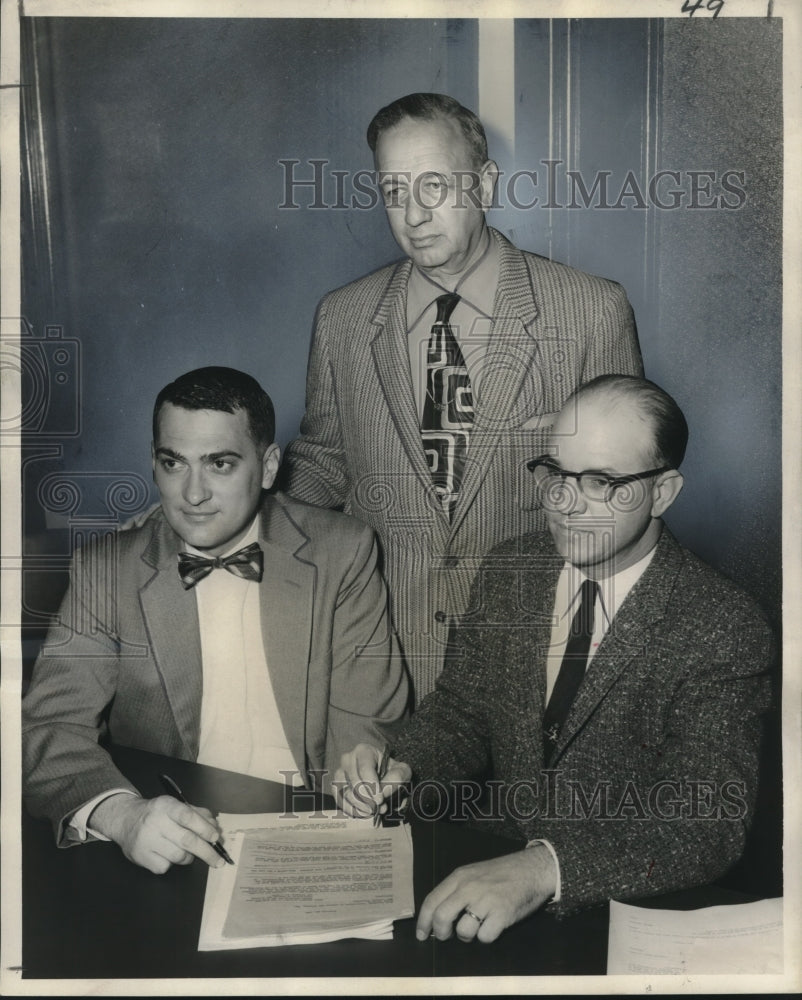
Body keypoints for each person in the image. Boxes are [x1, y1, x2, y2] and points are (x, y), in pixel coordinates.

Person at [335, 374, 774, 942]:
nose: (565, 503)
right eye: (558, 473)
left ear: (663, 492)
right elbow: (463, 713)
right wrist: (399, 766)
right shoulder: (509, 569)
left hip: (613, 917)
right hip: (475, 882)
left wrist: (546, 868)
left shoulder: (724, 624)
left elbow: (706, 820)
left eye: (601, 482)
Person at [281, 92, 643, 702]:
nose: (414, 214)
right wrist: (228, 512)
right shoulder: (343, 318)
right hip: (385, 661)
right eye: (394, 191)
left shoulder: (590, 312)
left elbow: (630, 495)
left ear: (485, 183)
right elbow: (323, 464)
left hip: (540, 658)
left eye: (434, 186)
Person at [22, 366, 409, 874]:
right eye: (173, 463)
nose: (193, 493)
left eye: (220, 464)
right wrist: (122, 815)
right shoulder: (105, 570)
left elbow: (369, 729)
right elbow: (47, 728)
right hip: (169, 838)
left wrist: (363, 781)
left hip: (314, 835)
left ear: (268, 467)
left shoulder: (343, 552)